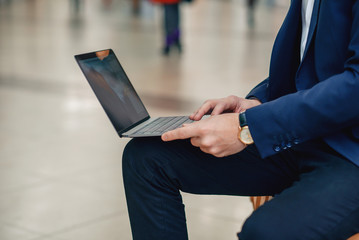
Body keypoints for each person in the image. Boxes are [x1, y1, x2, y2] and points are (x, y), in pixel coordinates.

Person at [122, 0, 359, 239]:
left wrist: (249, 126)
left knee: (266, 233)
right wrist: (257, 103)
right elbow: (310, 66)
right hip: (305, 133)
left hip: (351, 152)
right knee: (147, 158)